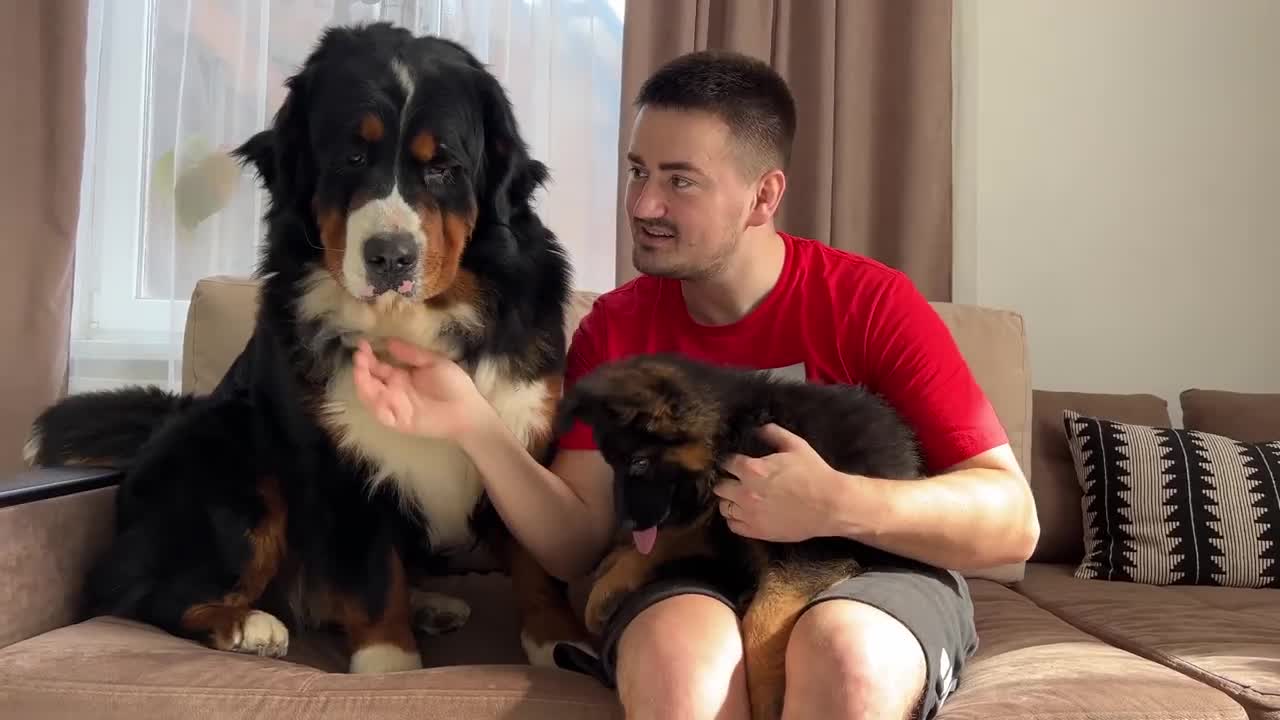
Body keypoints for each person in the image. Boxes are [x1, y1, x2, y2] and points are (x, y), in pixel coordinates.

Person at [351, 50, 1039, 720]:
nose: (644, 203)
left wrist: (838, 503)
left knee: (848, 659)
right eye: (638, 171)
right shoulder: (614, 329)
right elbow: (576, 542)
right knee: (683, 666)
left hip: (868, 563)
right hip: (693, 564)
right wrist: (473, 424)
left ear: (763, 196)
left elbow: (1014, 524)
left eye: (680, 180)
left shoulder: (871, 303)